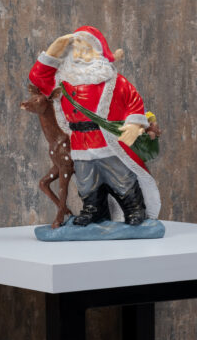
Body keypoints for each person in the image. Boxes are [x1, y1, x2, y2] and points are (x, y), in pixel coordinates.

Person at [28, 26, 161, 226]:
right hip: (80, 142)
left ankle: (133, 208)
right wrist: (54, 50)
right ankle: (93, 209)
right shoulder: (62, 82)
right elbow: (37, 78)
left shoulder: (114, 81)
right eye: (76, 49)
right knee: (86, 178)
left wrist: (134, 124)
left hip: (107, 140)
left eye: (86, 49)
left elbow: (133, 100)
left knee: (120, 175)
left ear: (99, 53)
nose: (80, 54)